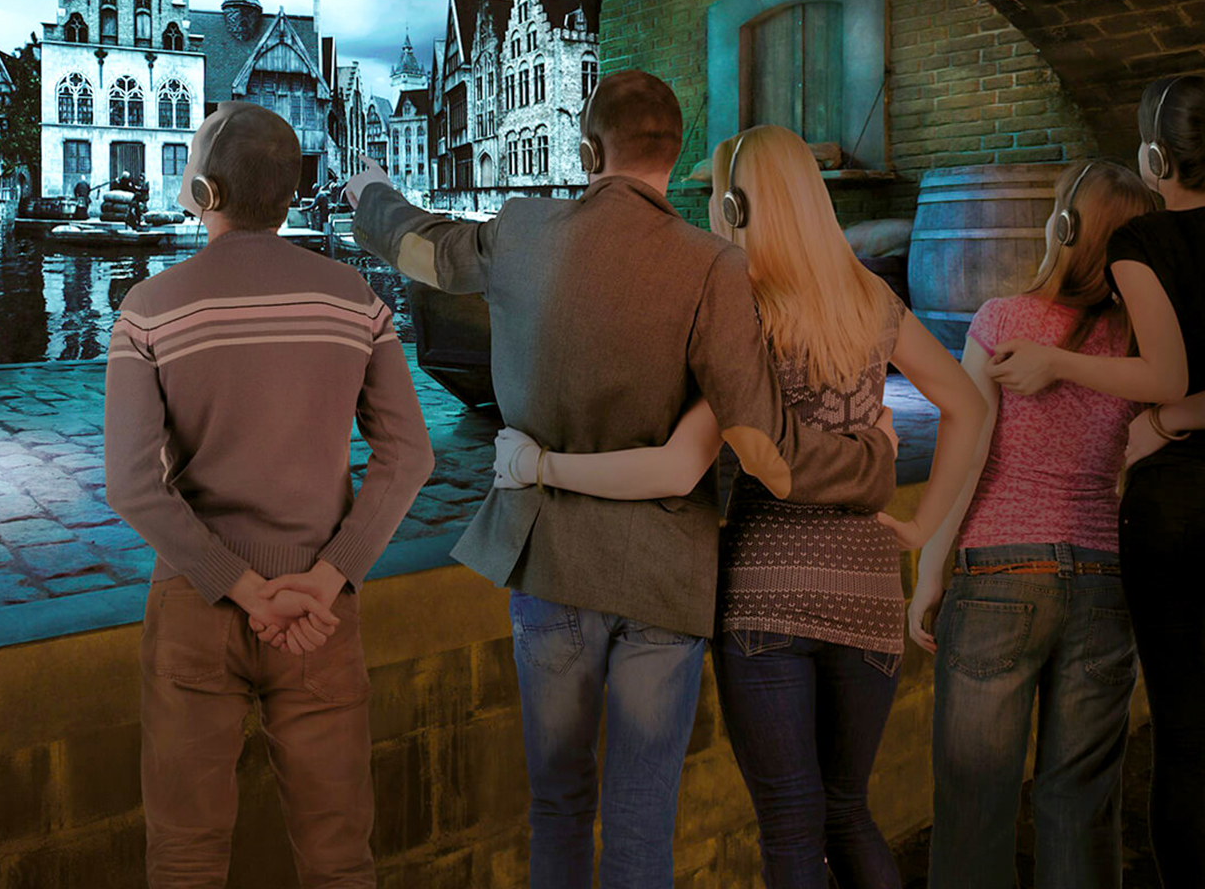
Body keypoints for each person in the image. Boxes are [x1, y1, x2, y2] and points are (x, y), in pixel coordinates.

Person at [345, 72, 900, 889]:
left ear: (586, 149)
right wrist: (871, 464)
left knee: (559, 810)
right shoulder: (713, 267)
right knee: (642, 831)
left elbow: (418, 248)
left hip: (552, 563)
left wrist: (372, 196)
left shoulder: (522, 229)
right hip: (661, 584)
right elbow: (766, 451)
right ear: (672, 160)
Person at [490, 124, 985, 889]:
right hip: (868, 600)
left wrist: (540, 463)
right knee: (849, 813)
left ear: (734, 206)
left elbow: (679, 463)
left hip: (765, 599)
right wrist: (923, 528)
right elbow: (968, 407)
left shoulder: (742, 313)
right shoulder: (872, 302)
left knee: (791, 828)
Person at [105, 101, 435, 888]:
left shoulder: (147, 308)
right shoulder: (356, 300)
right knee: (338, 859)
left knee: (185, 857)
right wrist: (327, 577)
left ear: (202, 192)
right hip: (320, 611)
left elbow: (131, 484)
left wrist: (242, 590)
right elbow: (409, 455)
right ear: (291, 195)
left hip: (197, 606)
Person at [904, 160, 1155, 889]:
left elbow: (969, 452)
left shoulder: (1002, 320)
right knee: (1081, 809)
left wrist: (929, 571)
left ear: (1063, 227)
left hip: (999, 578)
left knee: (973, 812)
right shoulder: (1139, 351)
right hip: (1106, 580)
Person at [989, 74, 1205, 886]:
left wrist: (1058, 363)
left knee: (1183, 732)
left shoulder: (1144, 249)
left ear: (1156, 159)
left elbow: (1166, 372)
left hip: (1176, 510)